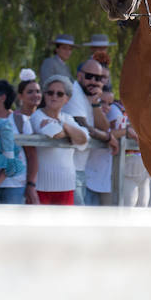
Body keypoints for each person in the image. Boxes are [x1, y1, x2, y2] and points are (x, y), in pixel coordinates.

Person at [30, 74, 89, 204]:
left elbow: (84, 139)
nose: (54, 96)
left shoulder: (67, 118)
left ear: (67, 99)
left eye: (60, 94)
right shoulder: (37, 116)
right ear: (45, 95)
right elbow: (54, 133)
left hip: (67, 185)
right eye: (50, 93)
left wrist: (63, 125)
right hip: (41, 186)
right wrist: (70, 133)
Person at [67, 58, 106, 204]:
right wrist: (109, 138)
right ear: (80, 76)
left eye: (99, 78)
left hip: (82, 169)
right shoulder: (74, 92)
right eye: (90, 76)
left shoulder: (89, 96)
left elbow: (104, 127)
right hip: (71, 170)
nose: (94, 82)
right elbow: (84, 128)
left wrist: (96, 104)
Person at [0, 79, 27, 204]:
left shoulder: (19, 120)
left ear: (2, 98)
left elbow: (31, 154)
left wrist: (31, 185)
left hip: (15, 183)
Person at [84, 83, 122, 206]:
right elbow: (104, 133)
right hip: (87, 179)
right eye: (102, 102)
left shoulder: (109, 119)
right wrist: (125, 131)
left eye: (110, 103)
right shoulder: (87, 119)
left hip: (104, 181)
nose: (106, 107)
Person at [14, 73, 44, 204]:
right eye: (30, 92)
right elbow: (29, 153)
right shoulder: (15, 118)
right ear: (20, 96)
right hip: (24, 178)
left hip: (45, 175)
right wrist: (30, 183)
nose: (35, 95)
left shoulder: (45, 117)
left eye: (38, 91)